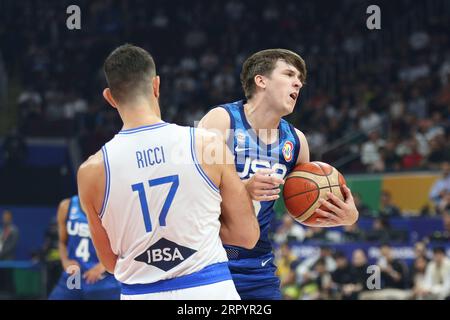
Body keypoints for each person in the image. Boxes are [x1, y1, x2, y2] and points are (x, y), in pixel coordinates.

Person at [77, 44, 259, 300]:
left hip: (140, 293)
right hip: (209, 290)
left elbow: (109, 262)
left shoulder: (91, 171)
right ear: (156, 85)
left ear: (109, 97)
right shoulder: (206, 144)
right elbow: (246, 236)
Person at [198, 48, 359, 299]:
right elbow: (191, 193)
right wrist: (241, 191)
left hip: (257, 264)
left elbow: (303, 207)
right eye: (289, 74)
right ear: (261, 80)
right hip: (209, 258)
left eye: (300, 80)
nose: (298, 83)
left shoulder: (296, 141)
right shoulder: (222, 121)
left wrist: (344, 216)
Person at [48, 196, 121, 300]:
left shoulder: (112, 207)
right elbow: (62, 242)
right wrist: (65, 261)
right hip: (74, 277)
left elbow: (122, 246)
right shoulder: (66, 206)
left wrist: (102, 267)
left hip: (103, 278)